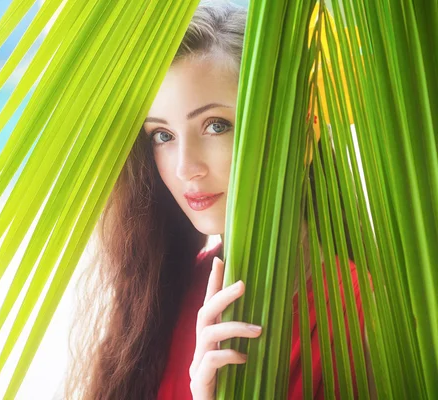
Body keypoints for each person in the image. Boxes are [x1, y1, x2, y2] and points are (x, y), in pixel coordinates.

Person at [62, 2, 367, 399]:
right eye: (162, 135)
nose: (185, 167)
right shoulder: (169, 291)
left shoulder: (359, 319)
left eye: (215, 125)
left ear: (298, 133)